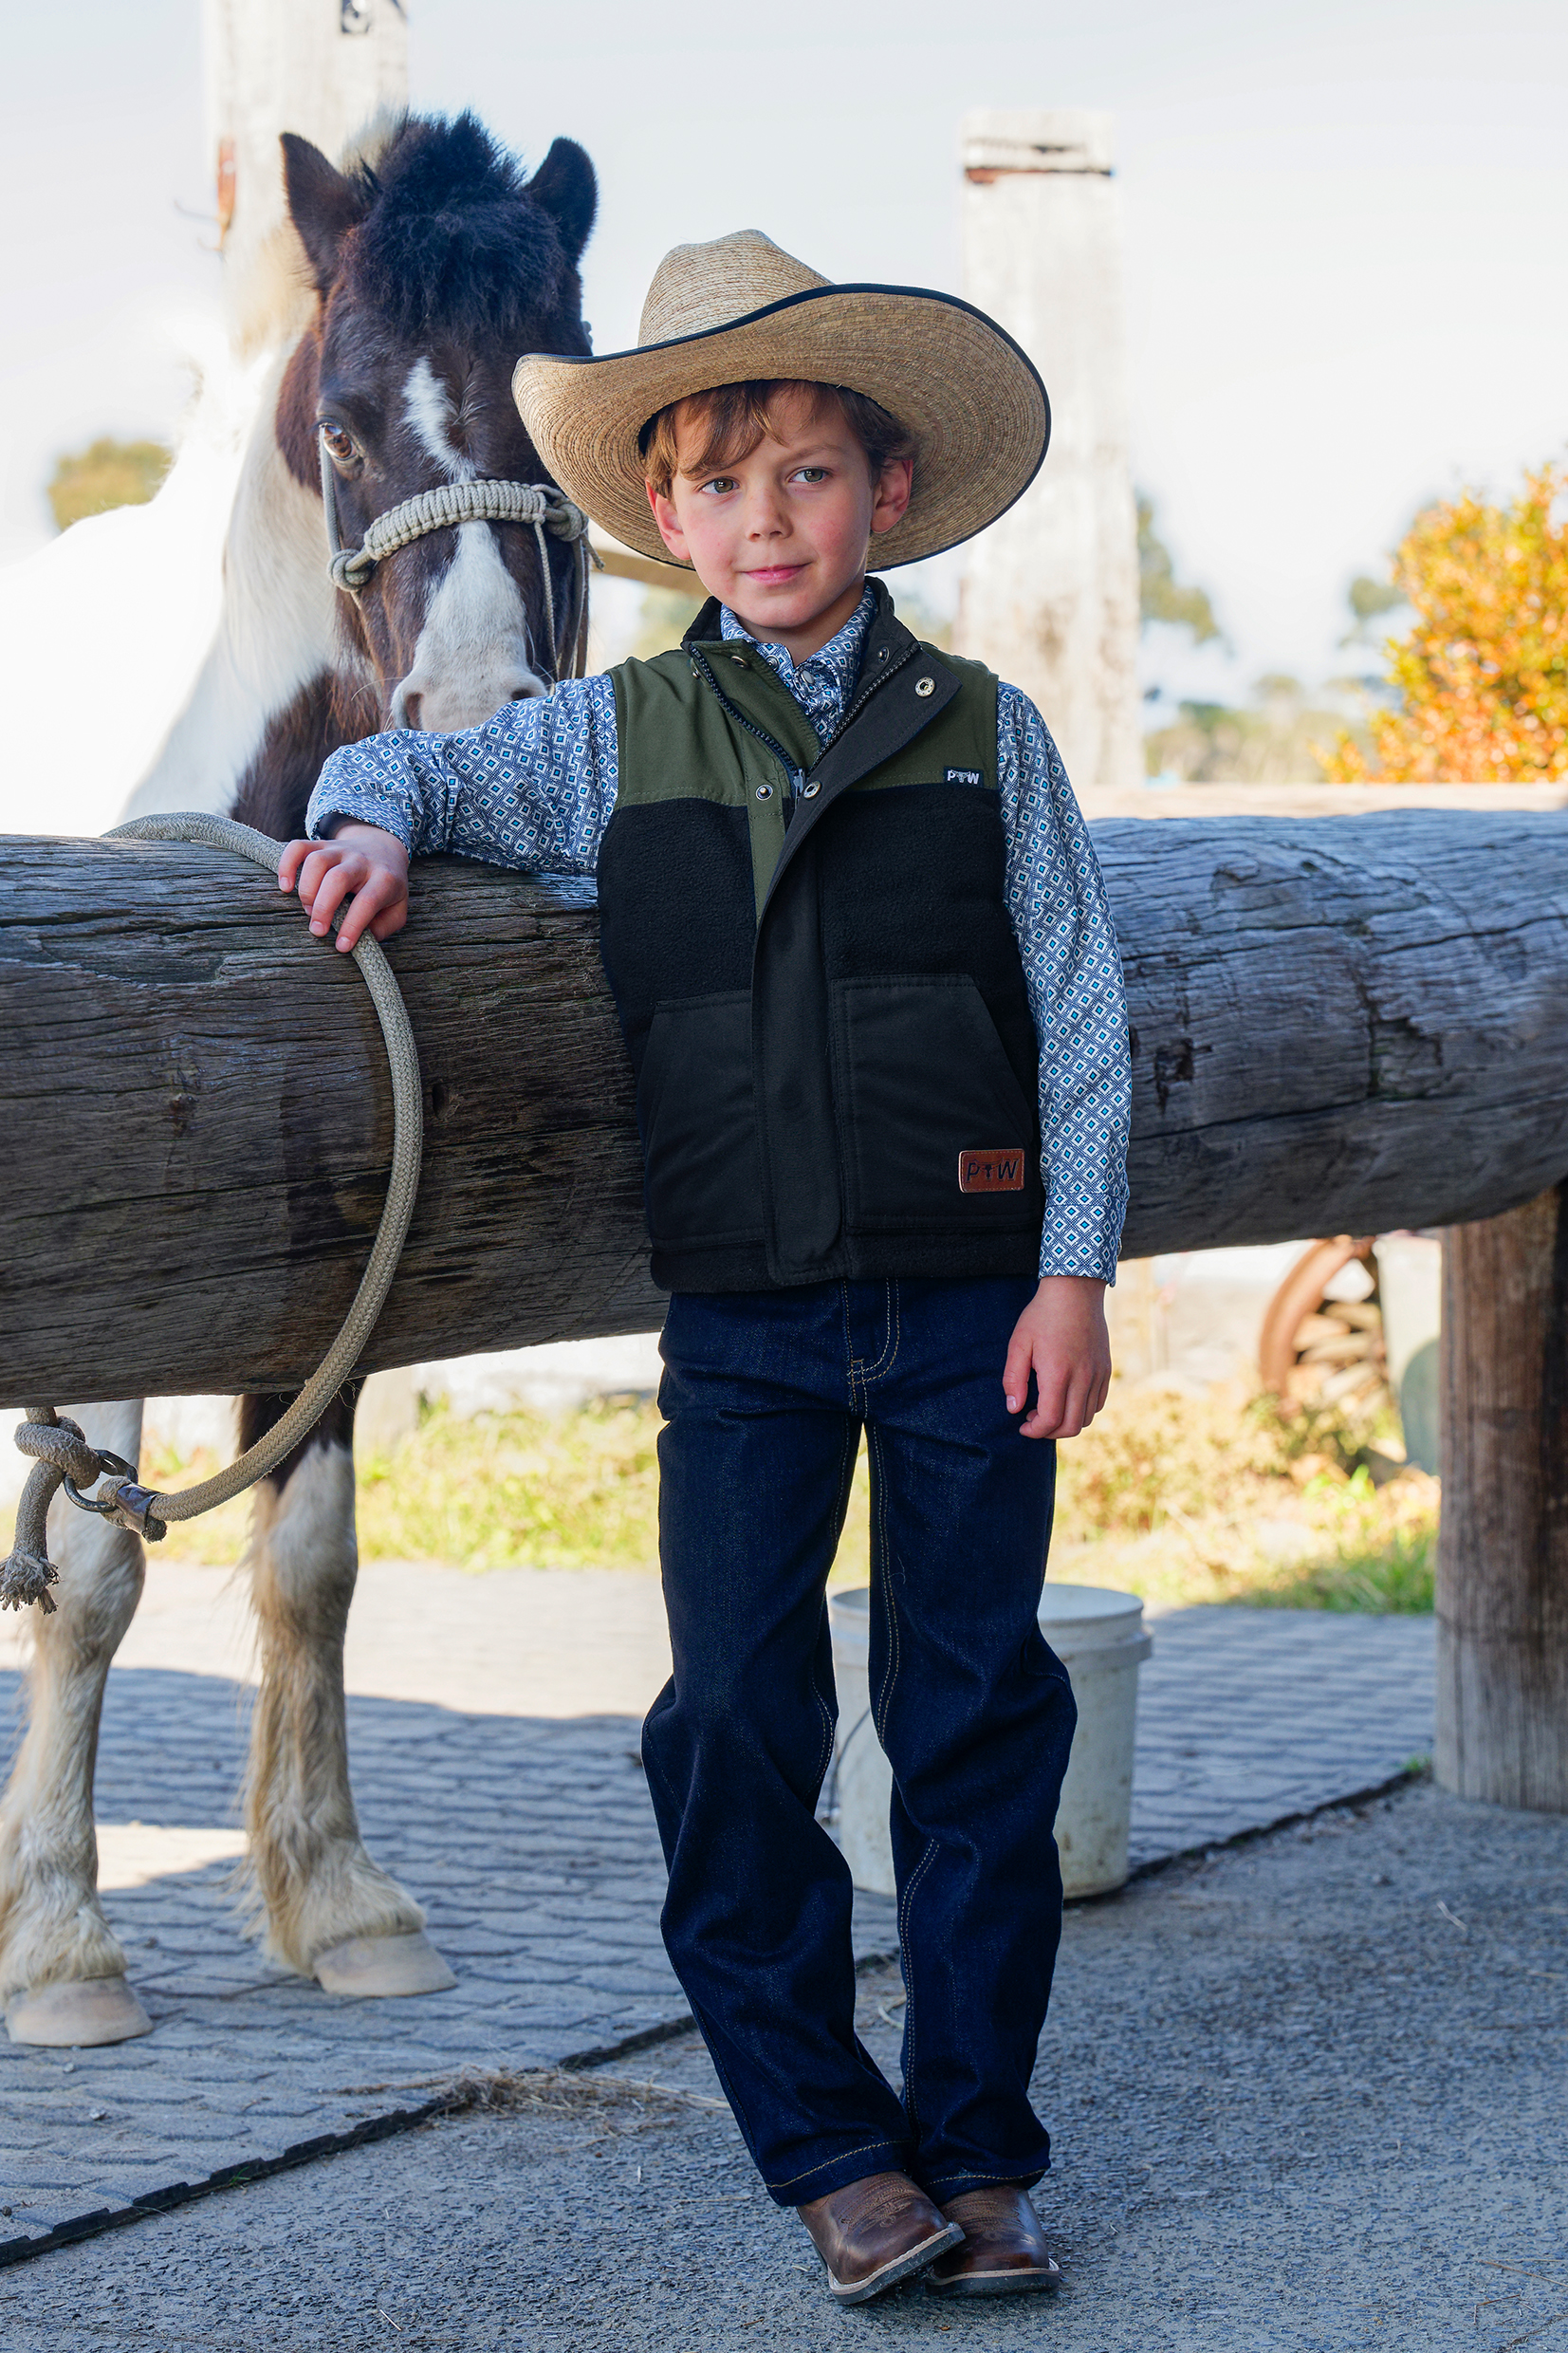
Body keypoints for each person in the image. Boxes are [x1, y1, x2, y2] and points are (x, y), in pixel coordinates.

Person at [280, 231, 1131, 2306]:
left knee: (970, 1720)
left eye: (810, 475)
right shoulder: (610, 741)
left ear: (886, 495)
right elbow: (411, 760)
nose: (768, 517)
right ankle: (830, 2148)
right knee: (734, 1725)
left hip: (966, 1304)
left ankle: (980, 2144)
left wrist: (1072, 1271)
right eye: (723, 481)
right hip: (741, 1321)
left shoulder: (981, 734)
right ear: (659, 514)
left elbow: (1081, 998)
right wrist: (366, 820)